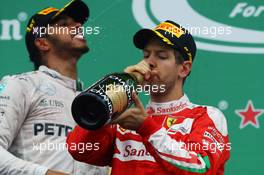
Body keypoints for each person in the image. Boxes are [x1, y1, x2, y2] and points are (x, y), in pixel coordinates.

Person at [66, 20, 230, 175]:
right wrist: (112, 96)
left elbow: (201, 168)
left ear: (184, 69)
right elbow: (78, 149)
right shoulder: (123, 120)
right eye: (146, 55)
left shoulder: (205, 116)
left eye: (161, 56)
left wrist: (147, 128)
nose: (150, 62)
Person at [0, 0, 108, 174]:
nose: (79, 25)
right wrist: (46, 173)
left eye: (78, 22)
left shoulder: (94, 101)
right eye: (64, 24)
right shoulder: (20, 85)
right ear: (43, 43)